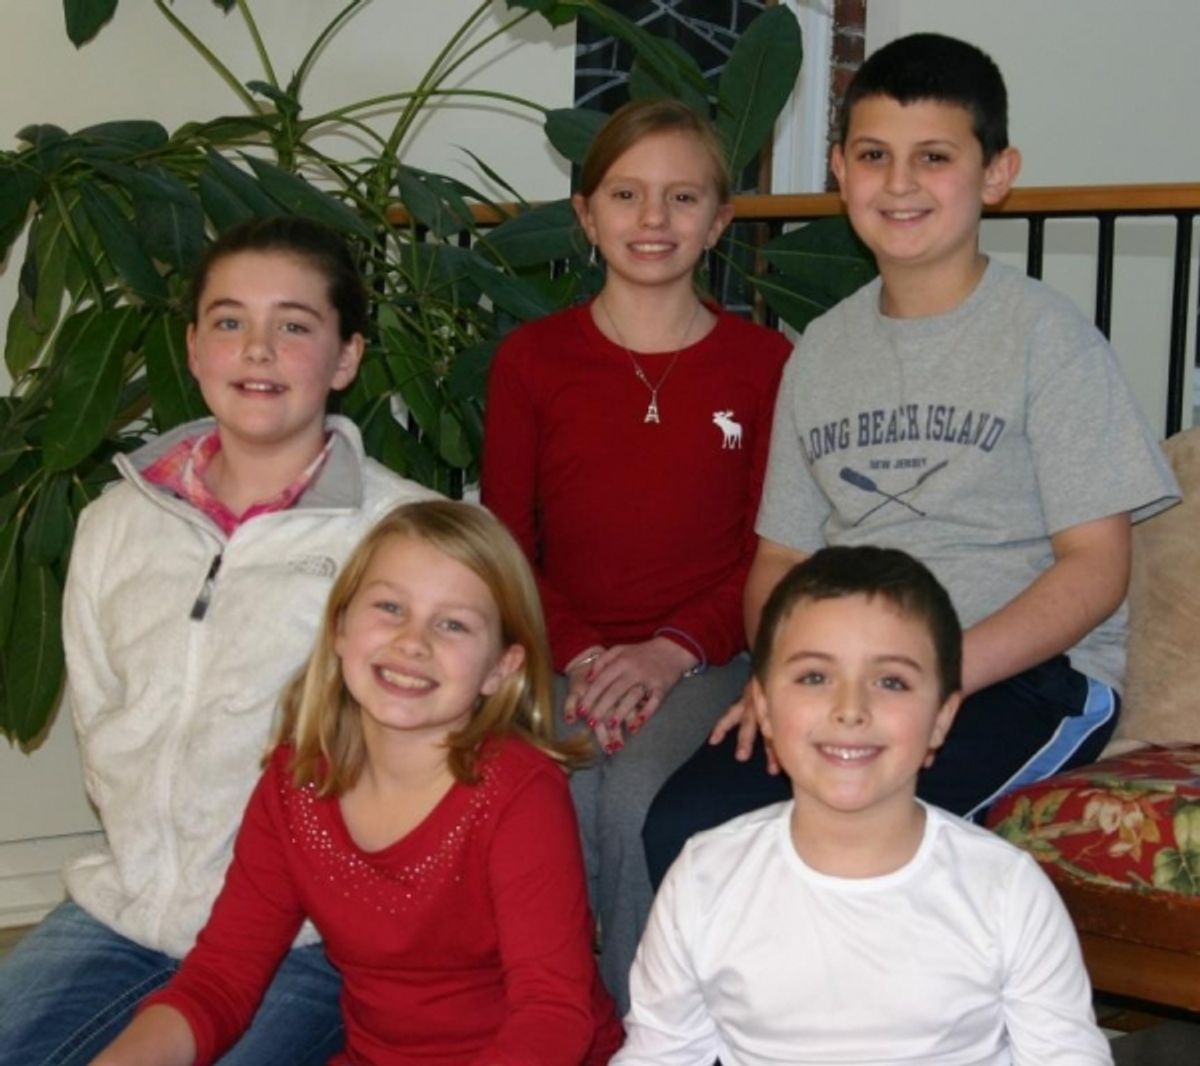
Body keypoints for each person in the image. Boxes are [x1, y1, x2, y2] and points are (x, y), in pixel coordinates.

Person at [642, 32, 1179, 884]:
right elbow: (781, 557)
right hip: (852, 681)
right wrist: (790, 675)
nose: (899, 184)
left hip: (1021, 675)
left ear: (996, 173)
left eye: (933, 157)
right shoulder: (820, 350)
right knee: (689, 830)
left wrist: (933, 674)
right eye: (873, 155)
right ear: (839, 169)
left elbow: (1096, 568)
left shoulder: (1050, 339)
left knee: (857, 844)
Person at [0, 216, 436, 1066]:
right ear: (194, 348)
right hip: (125, 909)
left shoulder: (408, 536)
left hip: (313, 939)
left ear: (346, 357)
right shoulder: (115, 523)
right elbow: (103, 716)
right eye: (230, 322)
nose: (258, 350)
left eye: (294, 325)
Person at [89, 500, 622, 1065]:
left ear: (501, 668)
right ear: (340, 628)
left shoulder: (520, 795)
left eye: (453, 624)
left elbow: (551, 1016)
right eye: (390, 607)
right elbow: (220, 978)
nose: (413, 642)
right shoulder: (297, 783)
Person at [482, 97, 792, 1013]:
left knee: (636, 797)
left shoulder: (765, 364)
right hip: (556, 649)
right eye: (626, 194)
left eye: (682, 197)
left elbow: (767, 546)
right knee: (555, 785)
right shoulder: (532, 362)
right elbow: (505, 541)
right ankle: (550, 1018)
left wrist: (668, 652)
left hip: (707, 653)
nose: (653, 220)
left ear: (719, 221)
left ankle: (636, 1026)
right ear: (586, 214)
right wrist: (579, 653)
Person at [616, 546, 1114, 1065]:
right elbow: (659, 1054)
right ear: (762, 707)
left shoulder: (1006, 890)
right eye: (814, 677)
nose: (850, 709)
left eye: (891, 681)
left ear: (942, 716)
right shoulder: (704, 878)